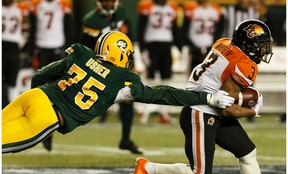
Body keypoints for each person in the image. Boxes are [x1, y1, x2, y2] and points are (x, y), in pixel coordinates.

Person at [130, 19, 286, 174]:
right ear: (248, 44)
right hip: (200, 112)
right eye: (261, 45)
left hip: (208, 105)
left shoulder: (224, 42)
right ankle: (148, 168)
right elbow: (226, 110)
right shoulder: (245, 65)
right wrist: (254, 110)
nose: (264, 50)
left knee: (247, 152)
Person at [2, 31, 234, 154]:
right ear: (122, 54)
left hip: (32, 97)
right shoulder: (124, 79)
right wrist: (206, 97)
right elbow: (164, 94)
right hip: (49, 117)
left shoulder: (81, 54)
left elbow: (38, 77)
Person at [81, 0, 141, 154]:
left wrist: (132, 63)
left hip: (120, 67)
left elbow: (130, 40)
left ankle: (126, 139)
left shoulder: (121, 14)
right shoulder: (91, 21)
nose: (108, 3)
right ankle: (54, 127)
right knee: (81, 106)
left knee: (129, 99)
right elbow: (85, 49)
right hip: (99, 68)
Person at [27, 0, 74, 151]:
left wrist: (70, 49)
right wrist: (31, 48)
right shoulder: (36, 4)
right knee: (41, 91)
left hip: (58, 50)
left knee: (58, 91)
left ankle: (51, 129)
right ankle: (41, 127)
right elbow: (33, 29)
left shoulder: (63, 3)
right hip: (42, 50)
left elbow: (68, 27)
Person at [137, 0, 181, 124]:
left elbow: (175, 28)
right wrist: (142, 47)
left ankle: (164, 112)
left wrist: (179, 46)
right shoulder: (146, 6)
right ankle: (146, 112)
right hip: (152, 45)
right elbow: (141, 27)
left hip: (166, 45)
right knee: (150, 79)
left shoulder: (172, 7)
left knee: (166, 80)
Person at [182, 0, 224, 75]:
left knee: (210, 74)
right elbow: (184, 29)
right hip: (194, 46)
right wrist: (188, 43)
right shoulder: (190, 8)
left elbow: (219, 29)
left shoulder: (216, 9)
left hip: (211, 47)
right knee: (192, 74)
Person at [2, 0, 29, 108]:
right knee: (10, 81)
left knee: (12, 81)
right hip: (13, 47)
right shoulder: (21, 8)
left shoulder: (21, 8)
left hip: (12, 47)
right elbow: (26, 30)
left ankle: (11, 107)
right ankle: (9, 108)